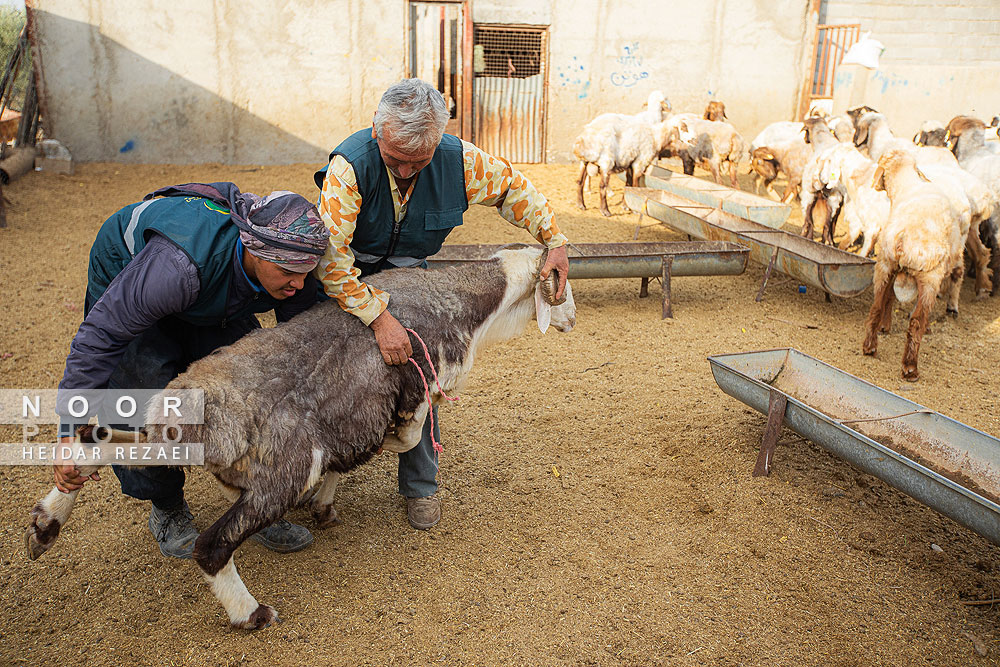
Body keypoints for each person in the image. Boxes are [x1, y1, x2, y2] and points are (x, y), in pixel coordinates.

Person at [313, 78, 570, 530]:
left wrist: (555, 239)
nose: (406, 170)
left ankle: (420, 486)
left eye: (419, 161)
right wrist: (378, 318)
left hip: (413, 278)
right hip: (353, 274)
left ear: (438, 141)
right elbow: (332, 264)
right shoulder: (348, 168)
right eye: (395, 158)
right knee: (328, 376)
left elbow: (515, 190)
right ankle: (310, 474)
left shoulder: (460, 160)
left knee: (425, 376)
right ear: (376, 130)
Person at [52, 182, 330, 559]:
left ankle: (257, 498)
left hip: (214, 292)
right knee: (140, 401)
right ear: (254, 250)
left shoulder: (295, 269)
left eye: (306, 272)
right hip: (133, 273)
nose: (299, 282)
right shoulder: (176, 268)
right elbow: (102, 335)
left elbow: (303, 351)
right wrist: (69, 431)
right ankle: (166, 506)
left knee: (254, 392)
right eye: (286, 272)